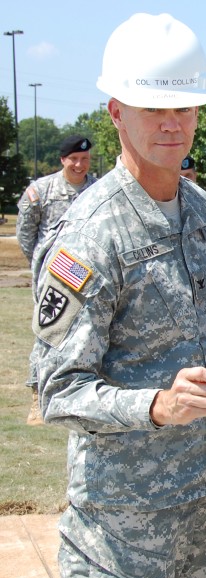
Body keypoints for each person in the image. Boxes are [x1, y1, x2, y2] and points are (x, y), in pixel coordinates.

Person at [31, 13, 206, 578]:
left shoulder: (202, 213)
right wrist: (156, 406)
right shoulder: (90, 236)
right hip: (122, 528)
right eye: (153, 109)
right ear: (116, 111)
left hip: (203, 513)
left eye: (184, 108)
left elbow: (201, 352)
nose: (171, 124)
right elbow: (58, 391)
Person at [16, 134, 97, 425]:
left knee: (86, 332)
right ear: (63, 159)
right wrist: (42, 266)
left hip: (86, 274)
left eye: (85, 159)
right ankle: (38, 397)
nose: (79, 164)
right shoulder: (41, 190)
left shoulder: (96, 190)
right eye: (74, 159)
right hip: (53, 275)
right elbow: (26, 235)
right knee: (48, 332)